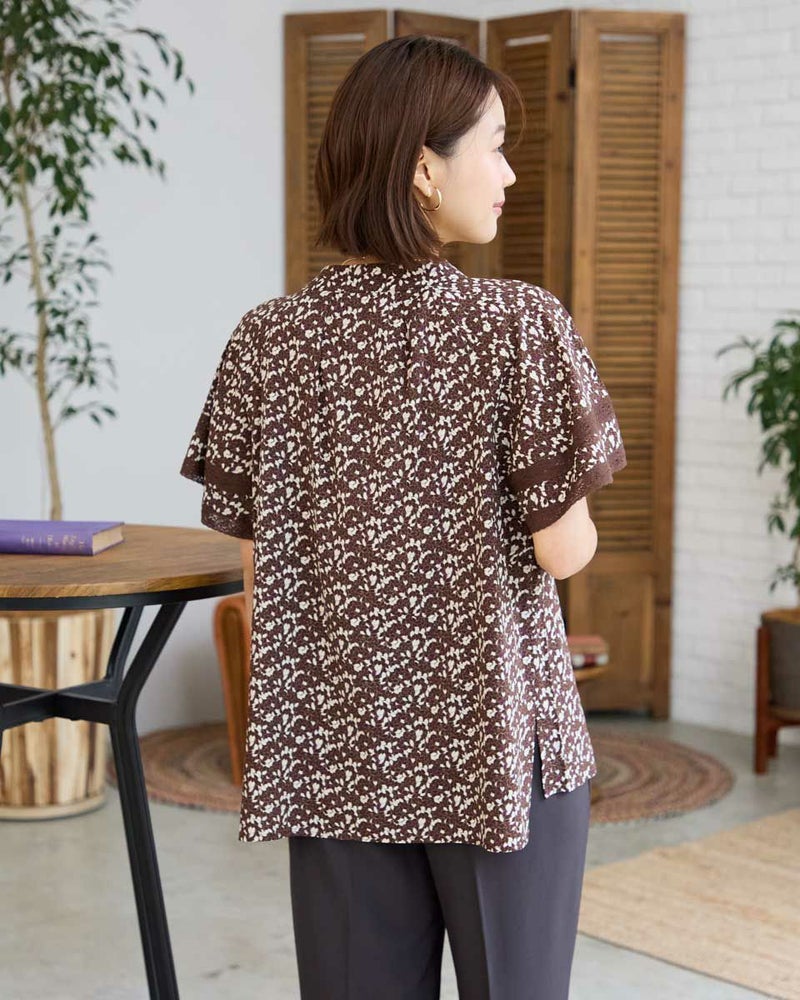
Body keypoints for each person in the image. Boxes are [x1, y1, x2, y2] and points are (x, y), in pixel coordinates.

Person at [179, 34, 627, 1000]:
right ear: (425, 168)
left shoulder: (267, 340)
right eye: (496, 147)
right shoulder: (519, 325)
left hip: (339, 748)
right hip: (496, 745)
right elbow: (564, 550)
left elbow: (260, 571)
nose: (509, 174)